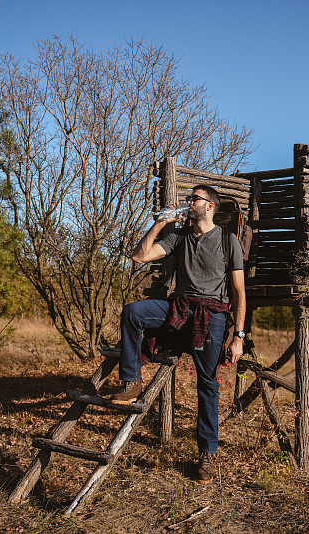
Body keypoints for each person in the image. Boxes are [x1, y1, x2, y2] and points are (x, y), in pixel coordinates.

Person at [110, 184, 245, 484]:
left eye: (194, 198)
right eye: (189, 198)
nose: (188, 202)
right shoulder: (179, 235)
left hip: (211, 317)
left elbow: (239, 291)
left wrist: (239, 335)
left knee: (207, 384)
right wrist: (160, 222)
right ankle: (131, 381)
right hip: (180, 309)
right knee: (133, 312)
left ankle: (207, 454)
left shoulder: (227, 240)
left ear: (209, 206)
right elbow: (139, 256)